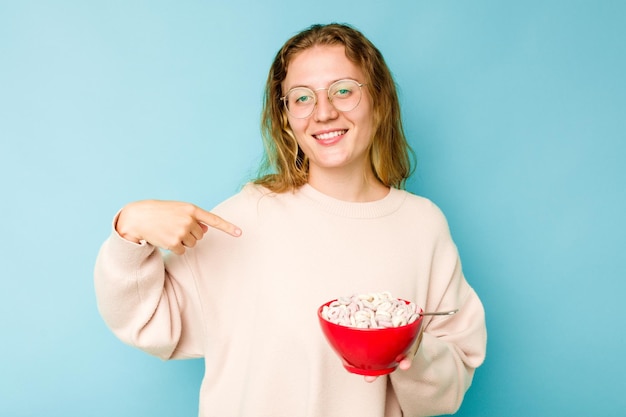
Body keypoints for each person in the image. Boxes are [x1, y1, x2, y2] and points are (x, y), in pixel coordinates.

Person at [94, 23, 487, 417]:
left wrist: (409, 347)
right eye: (302, 98)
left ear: (379, 102)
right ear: (285, 119)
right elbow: (148, 322)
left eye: (344, 90)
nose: (324, 112)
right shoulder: (244, 218)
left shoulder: (422, 226)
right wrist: (130, 230)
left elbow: (449, 385)